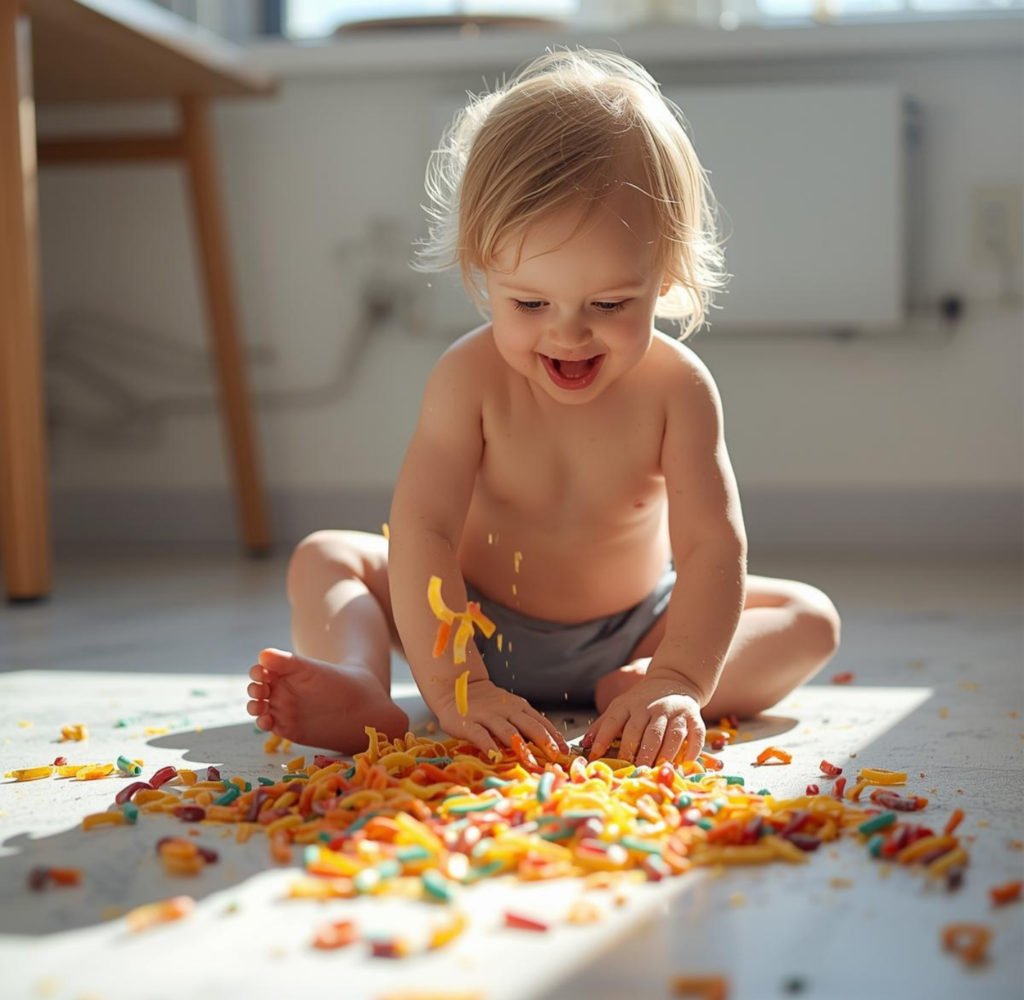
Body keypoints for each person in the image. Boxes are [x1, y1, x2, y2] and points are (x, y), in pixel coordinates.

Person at [246, 47, 841, 767]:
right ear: (480, 274)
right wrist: (458, 683)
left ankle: (645, 691)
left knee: (811, 618)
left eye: (612, 303)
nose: (567, 332)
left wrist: (681, 673)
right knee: (325, 557)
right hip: (466, 623)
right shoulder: (467, 378)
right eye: (529, 302)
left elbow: (714, 547)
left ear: (667, 275)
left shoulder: (676, 387)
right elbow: (424, 528)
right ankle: (360, 683)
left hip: (638, 628)